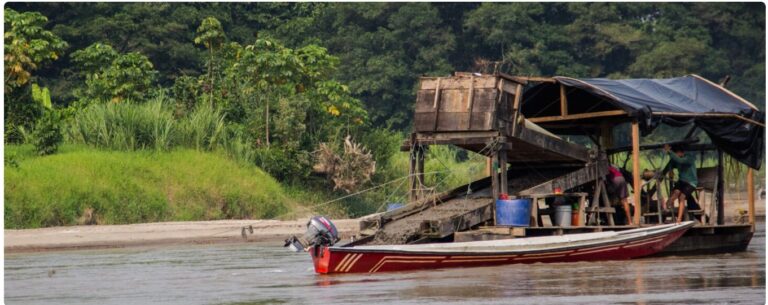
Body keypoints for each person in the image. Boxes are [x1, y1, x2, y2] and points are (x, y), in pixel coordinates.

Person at [660, 144, 698, 223]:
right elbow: (670, 165)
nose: (675, 156)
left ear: (680, 152)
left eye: (675, 154)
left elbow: (680, 161)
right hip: (681, 181)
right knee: (674, 195)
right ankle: (664, 212)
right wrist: (670, 170)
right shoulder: (675, 159)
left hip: (691, 183)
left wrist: (669, 152)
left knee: (682, 197)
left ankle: (679, 219)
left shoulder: (689, 158)